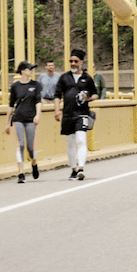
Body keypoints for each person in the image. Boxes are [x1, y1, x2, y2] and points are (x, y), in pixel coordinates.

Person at [57, 49, 100, 180]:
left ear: (81, 62)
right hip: (67, 114)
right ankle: (73, 169)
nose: (73, 63)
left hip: (82, 114)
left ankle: (81, 168)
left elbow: (96, 94)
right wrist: (56, 110)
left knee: (81, 141)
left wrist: (89, 98)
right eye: (71, 61)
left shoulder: (87, 78)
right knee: (70, 143)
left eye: (76, 61)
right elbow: (57, 95)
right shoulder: (64, 77)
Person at [5, 61, 43, 183]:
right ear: (22, 71)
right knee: (20, 144)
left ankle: (34, 162)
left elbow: (38, 101)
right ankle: (20, 173)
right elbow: (11, 105)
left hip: (31, 118)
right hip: (18, 118)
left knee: (30, 147)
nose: (31, 71)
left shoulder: (36, 85)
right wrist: (7, 122)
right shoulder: (15, 86)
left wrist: (37, 115)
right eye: (29, 69)